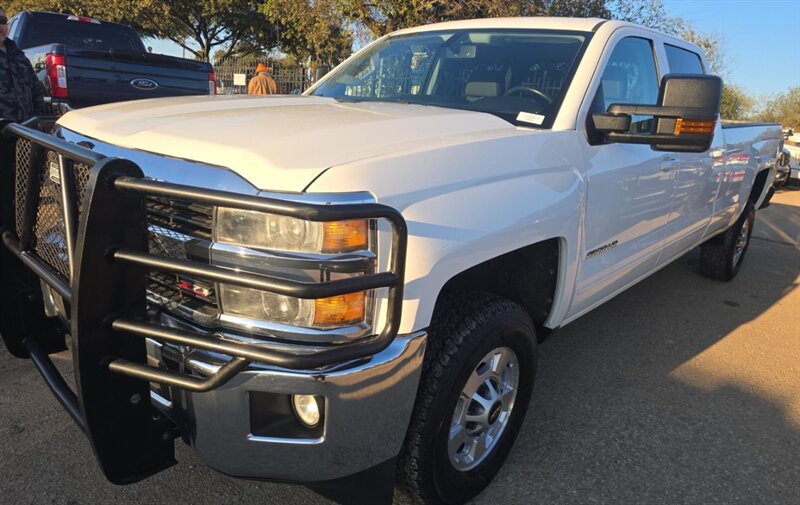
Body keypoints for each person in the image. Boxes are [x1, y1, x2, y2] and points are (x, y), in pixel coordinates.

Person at [0, 6, 45, 123]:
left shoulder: (19, 57)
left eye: (2, 20)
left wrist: (37, 119)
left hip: (23, 133)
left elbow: (37, 90)